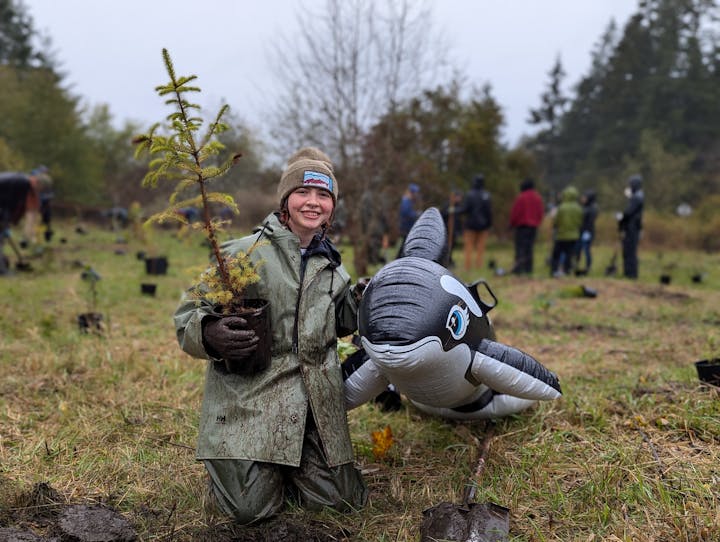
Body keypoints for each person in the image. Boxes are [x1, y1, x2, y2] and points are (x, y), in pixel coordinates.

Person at [174, 147, 368, 524]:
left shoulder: (332, 268)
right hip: (249, 399)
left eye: (324, 195)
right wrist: (211, 333)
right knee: (250, 510)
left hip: (314, 404)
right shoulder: (244, 255)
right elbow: (188, 315)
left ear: (332, 205)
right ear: (285, 200)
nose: (313, 203)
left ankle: (290, 466)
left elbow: (343, 321)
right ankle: (239, 463)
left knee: (340, 503)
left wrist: (367, 298)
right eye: (303, 192)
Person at [509, 178, 544, 274]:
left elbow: (516, 212)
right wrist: (537, 222)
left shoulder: (521, 197)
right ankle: (528, 268)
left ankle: (519, 268)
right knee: (529, 248)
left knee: (520, 248)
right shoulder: (538, 197)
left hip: (522, 227)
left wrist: (512, 224)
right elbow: (540, 212)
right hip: (533, 227)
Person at [461, 174, 492, 272]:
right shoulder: (486, 195)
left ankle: (467, 267)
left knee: (468, 247)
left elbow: (465, 209)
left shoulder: (470, 194)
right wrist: (489, 223)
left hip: (470, 225)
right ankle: (478, 266)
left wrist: (456, 210)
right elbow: (489, 211)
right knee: (480, 247)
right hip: (483, 225)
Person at [550, 185, 582, 277]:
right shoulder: (578, 208)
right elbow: (580, 222)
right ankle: (567, 270)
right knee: (569, 254)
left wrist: (556, 227)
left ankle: (554, 271)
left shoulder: (562, 207)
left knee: (556, 254)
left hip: (561, 235)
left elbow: (556, 221)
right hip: (573, 235)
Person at [618, 174, 644, 279]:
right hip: (633, 227)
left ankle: (631, 274)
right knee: (629, 251)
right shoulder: (637, 196)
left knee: (630, 251)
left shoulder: (637, 197)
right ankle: (629, 273)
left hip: (632, 228)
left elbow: (628, 213)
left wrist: (621, 219)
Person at [576, 189, 598, 273]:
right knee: (577, 249)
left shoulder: (593, 208)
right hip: (581, 231)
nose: (582, 199)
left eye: (584, 197)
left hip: (587, 232)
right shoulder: (584, 207)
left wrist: (587, 232)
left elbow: (589, 222)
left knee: (586, 250)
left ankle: (588, 266)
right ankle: (576, 264)